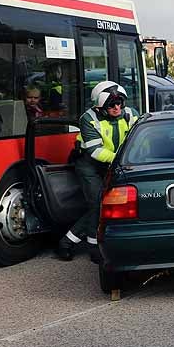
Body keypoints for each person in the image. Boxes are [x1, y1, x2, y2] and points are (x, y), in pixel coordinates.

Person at [57, 81, 138, 261]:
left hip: (117, 163)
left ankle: (68, 241)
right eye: (112, 104)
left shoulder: (131, 115)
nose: (117, 107)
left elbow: (141, 140)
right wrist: (122, 160)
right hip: (90, 165)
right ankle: (92, 246)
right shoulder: (88, 119)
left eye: (120, 103)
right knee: (97, 204)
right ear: (100, 106)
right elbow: (96, 151)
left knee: (111, 204)